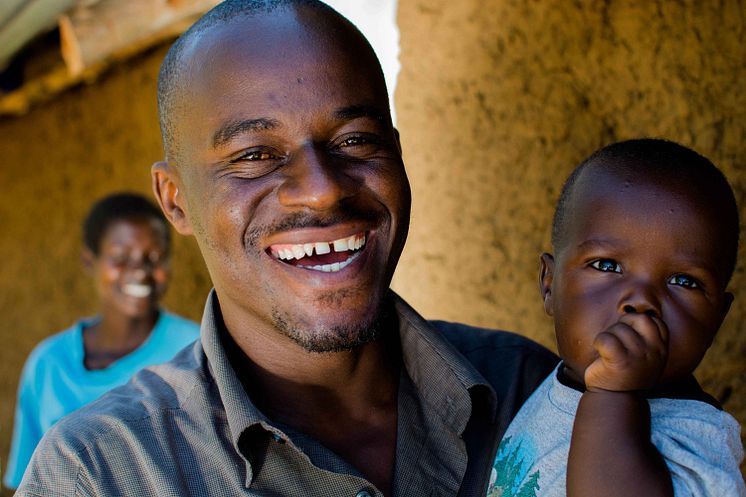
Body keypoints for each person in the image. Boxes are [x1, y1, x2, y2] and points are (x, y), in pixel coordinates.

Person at [16, 2, 558, 496]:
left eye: (355, 140)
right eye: (254, 154)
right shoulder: (99, 473)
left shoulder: (530, 393)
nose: (322, 188)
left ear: (397, 154)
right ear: (176, 200)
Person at [486, 139, 746, 497]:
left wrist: (614, 393)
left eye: (684, 281)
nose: (641, 301)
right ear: (550, 285)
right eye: (607, 265)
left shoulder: (692, 439)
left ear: (717, 318)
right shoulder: (557, 386)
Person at [4, 192, 200, 490]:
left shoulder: (196, 349)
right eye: (121, 258)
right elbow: (27, 483)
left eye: (154, 257)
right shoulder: (49, 362)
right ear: (89, 260)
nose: (139, 270)